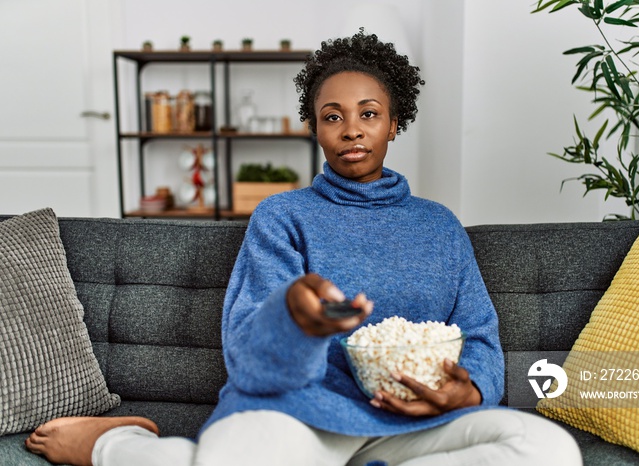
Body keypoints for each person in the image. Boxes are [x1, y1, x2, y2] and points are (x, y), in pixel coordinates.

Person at [25, 30, 582, 466]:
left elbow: (479, 336)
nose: (351, 130)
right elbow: (248, 358)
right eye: (332, 117)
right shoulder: (283, 217)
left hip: (417, 425)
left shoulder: (439, 227)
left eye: (369, 113)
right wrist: (298, 318)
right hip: (293, 419)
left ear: (394, 123)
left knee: (549, 450)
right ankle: (113, 447)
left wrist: (469, 392)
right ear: (315, 129)